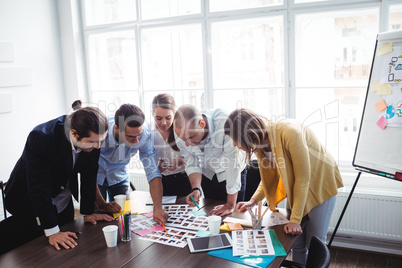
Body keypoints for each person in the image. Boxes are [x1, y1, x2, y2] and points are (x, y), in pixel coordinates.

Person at [225, 108, 344, 265]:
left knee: (314, 243)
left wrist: (295, 219)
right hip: (299, 188)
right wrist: (253, 201)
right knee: (297, 243)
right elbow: (268, 178)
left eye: (235, 139)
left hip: (320, 184)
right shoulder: (260, 143)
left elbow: (303, 178)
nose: (234, 144)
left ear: (247, 133)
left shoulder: (290, 132)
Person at [4, 100, 115, 253]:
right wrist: (52, 231)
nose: (97, 147)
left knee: (68, 249)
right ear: (74, 133)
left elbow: (89, 174)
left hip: (62, 200)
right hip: (29, 202)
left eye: (100, 141)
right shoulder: (41, 137)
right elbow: (39, 188)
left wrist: (88, 212)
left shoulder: (93, 136)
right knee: (32, 251)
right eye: (93, 142)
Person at [97, 104, 168, 224]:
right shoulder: (100, 133)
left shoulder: (144, 136)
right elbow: (87, 170)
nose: (136, 141)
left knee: (124, 219)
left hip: (119, 177)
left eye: (138, 135)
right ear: (116, 129)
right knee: (99, 219)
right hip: (95, 178)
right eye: (130, 136)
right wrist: (102, 204)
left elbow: (153, 172)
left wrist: (157, 208)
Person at [173, 104, 247, 217]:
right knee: (211, 215)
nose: (187, 143)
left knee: (232, 217)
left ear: (202, 124)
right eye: (183, 139)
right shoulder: (180, 130)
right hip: (209, 173)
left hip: (232, 174)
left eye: (191, 137)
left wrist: (230, 204)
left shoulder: (226, 123)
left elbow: (232, 164)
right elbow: (191, 161)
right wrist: (196, 189)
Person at [150, 94, 192, 196]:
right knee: (163, 210)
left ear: (174, 113)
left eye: (168, 118)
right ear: (152, 113)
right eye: (158, 118)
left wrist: (179, 161)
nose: (163, 123)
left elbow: (194, 156)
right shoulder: (148, 131)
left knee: (187, 211)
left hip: (184, 179)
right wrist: (156, 165)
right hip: (161, 180)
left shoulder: (182, 129)